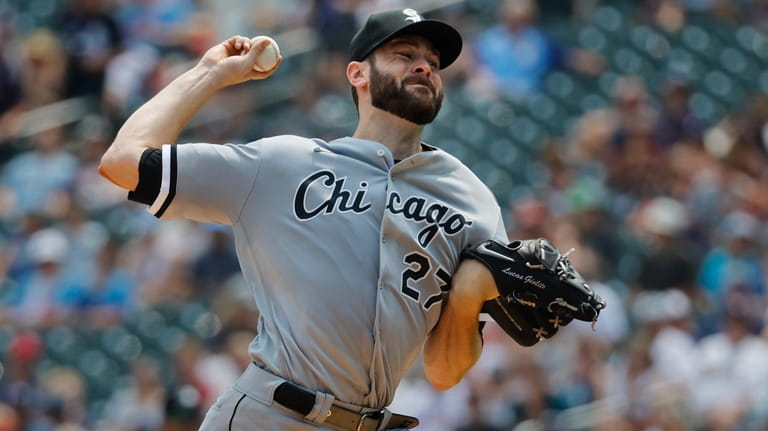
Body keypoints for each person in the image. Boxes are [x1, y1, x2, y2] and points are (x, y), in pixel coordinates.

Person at [99, 8, 505, 430]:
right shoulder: (283, 164)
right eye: (404, 54)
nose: (424, 65)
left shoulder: (472, 201)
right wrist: (210, 73)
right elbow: (123, 161)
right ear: (357, 74)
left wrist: (467, 297)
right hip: (269, 415)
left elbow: (444, 372)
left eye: (434, 63)